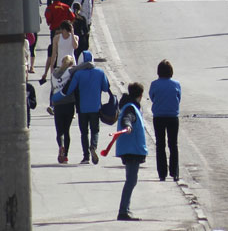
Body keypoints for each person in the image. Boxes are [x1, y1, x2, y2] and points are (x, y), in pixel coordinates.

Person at [60, 50, 111, 165]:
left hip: (82, 107)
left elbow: (70, 89)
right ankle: (93, 146)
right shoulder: (100, 72)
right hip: (95, 106)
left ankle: (86, 156)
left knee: (84, 132)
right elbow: (106, 88)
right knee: (95, 130)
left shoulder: (78, 74)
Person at [116, 82, 147, 221]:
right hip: (131, 149)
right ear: (140, 95)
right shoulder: (131, 108)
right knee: (131, 181)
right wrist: (128, 126)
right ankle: (123, 211)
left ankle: (124, 210)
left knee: (131, 180)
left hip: (130, 148)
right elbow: (127, 119)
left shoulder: (129, 106)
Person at [148, 60, 181, 182]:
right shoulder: (176, 84)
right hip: (173, 116)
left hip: (159, 116)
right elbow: (178, 98)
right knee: (173, 144)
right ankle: (174, 172)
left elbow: (152, 97)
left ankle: (162, 173)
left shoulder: (154, 84)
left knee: (160, 145)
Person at [47, 54, 76, 164]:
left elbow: (52, 88)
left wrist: (51, 103)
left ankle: (61, 146)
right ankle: (66, 156)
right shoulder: (71, 72)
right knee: (67, 130)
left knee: (59, 131)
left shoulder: (54, 73)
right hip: (69, 104)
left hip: (58, 104)